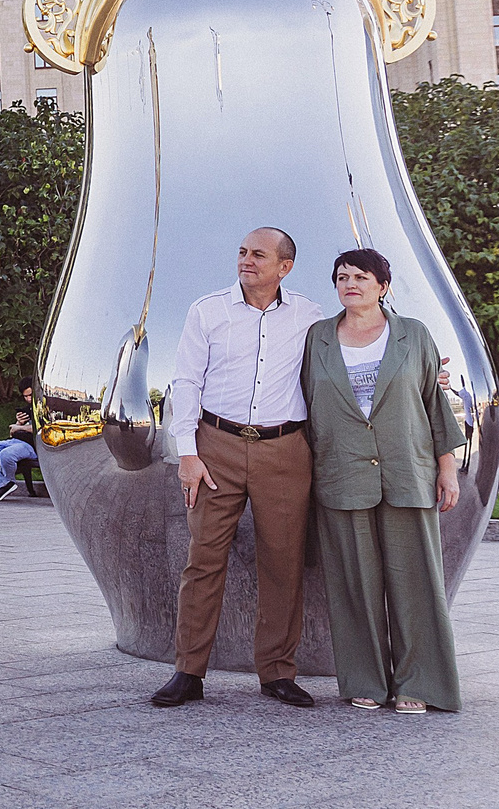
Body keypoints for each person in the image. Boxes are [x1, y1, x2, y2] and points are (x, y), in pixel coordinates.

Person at [152, 227, 324, 711]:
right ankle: (188, 672)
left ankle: (277, 674)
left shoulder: (310, 315)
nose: (246, 261)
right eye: (243, 252)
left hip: (284, 450)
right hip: (216, 446)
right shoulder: (207, 310)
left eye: (258, 255)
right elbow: (185, 380)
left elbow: (350, 352)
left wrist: (421, 367)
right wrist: (187, 452)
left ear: (284, 267)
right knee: (203, 558)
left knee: (283, 563)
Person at [301, 247, 465, 714]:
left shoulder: (413, 335)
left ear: (382, 286)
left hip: (408, 472)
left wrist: (447, 466)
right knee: (354, 585)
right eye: (341, 277)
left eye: (360, 276)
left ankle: (422, 682)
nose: (350, 284)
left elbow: (436, 402)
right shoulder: (318, 338)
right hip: (341, 474)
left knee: (416, 583)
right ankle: (366, 681)